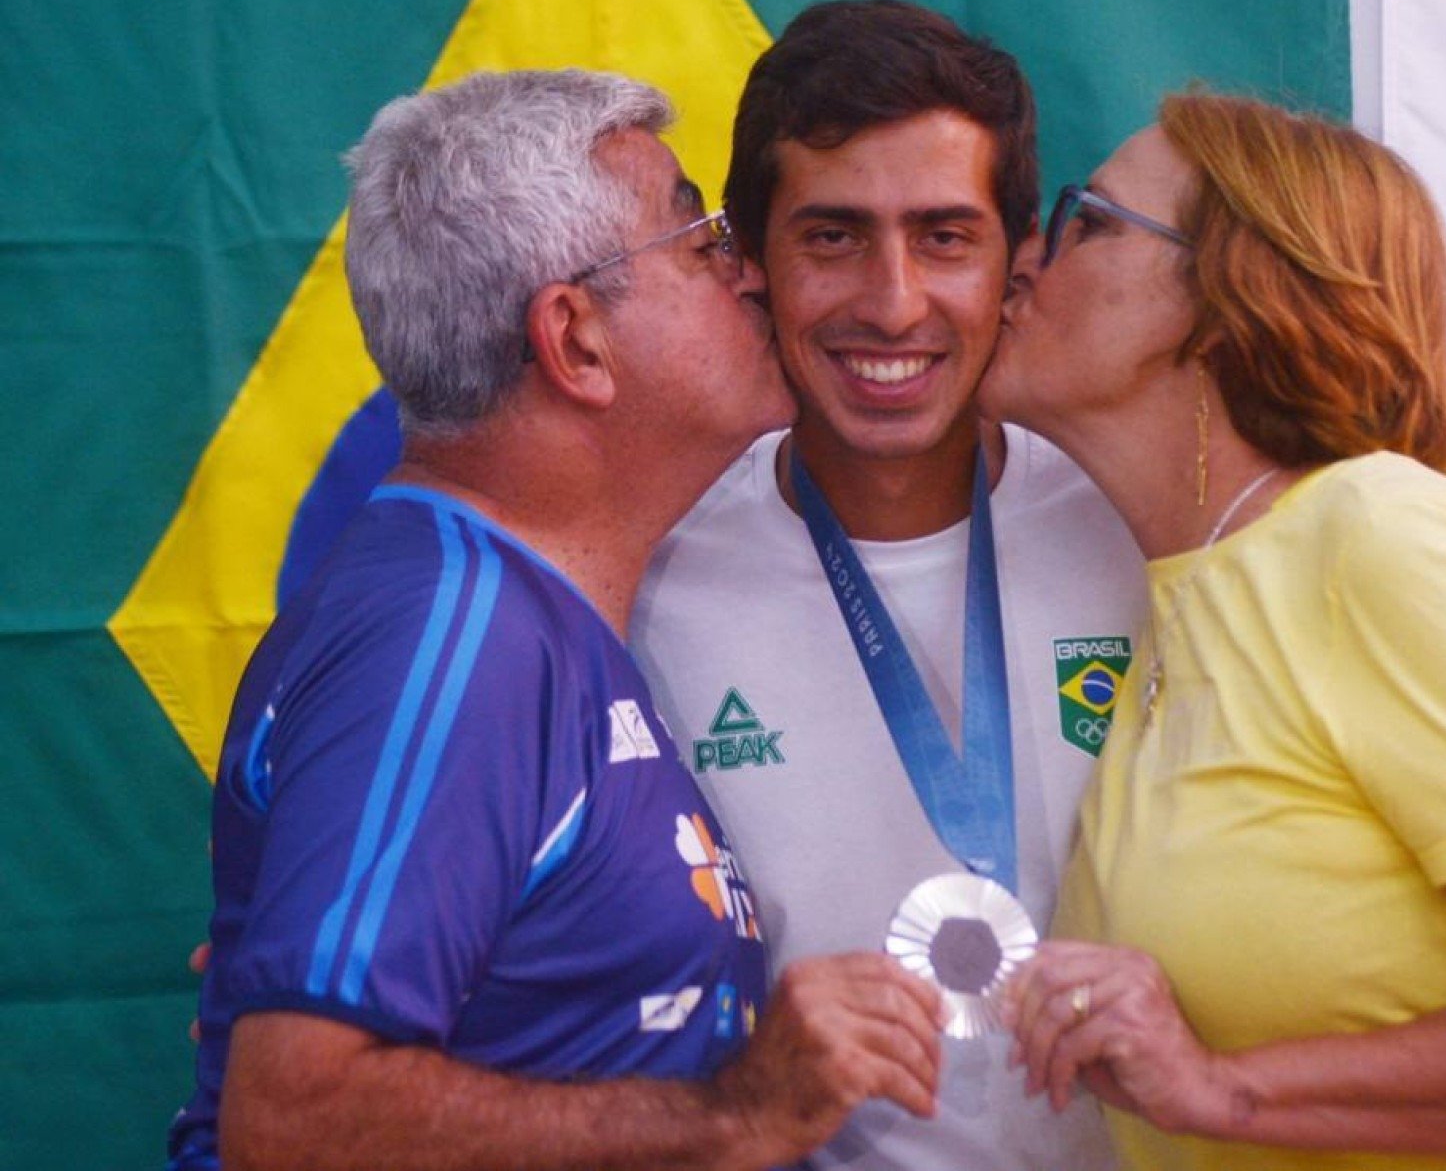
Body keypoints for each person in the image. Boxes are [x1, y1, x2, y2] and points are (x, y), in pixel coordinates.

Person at [166, 70, 945, 1171]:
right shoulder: (450, 633)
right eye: (702, 242)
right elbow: (295, 1118)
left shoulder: (519, 616)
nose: (754, 276)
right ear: (575, 339)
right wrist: (739, 1114)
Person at [984, 94, 1446, 1169]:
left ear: (1228, 295)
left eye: (1086, 218)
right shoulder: (1183, 598)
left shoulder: (1381, 541)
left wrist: (1218, 1088)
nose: (1023, 261)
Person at [629, 0, 1144, 1170]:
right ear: (749, 264)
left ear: (1020, 265)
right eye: (834, 236)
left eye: (946, 236)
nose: (894, 302)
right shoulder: (651, 570)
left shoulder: (1136, 526)